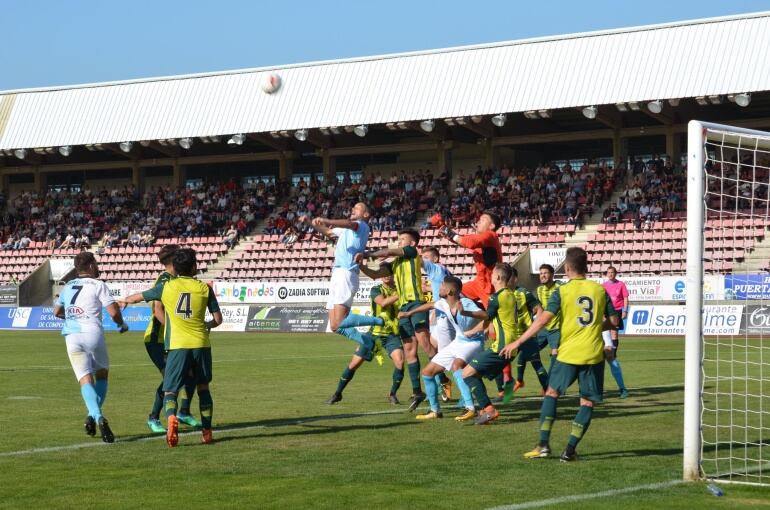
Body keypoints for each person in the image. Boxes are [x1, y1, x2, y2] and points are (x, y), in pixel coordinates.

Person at [500, 247, 619, 462]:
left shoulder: (562, 291)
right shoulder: (600, 290)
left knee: (552, 394)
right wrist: (594, 327)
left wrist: (517, 341)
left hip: (567, 354)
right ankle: (569, 450)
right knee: (587, 403)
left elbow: (543, 319)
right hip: (593, 355)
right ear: (586, 266)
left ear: (567, 267)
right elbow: (615, 322)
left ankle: (543, 445)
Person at [120, 248, 223, 447]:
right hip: (201, 344)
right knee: (203, 387)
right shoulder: (205, 288)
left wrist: (124, 300)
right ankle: (207, 432)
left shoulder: (166, 287)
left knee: (170, 390)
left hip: (177, 345)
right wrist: (206, 326)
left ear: (175, 267)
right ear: (194, 267)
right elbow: (218, 320)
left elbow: (139, 297)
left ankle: (170, 419)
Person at [53, 251, 128, 443]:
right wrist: (121, 324)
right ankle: (95, 415)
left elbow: (57, 311)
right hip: (92, 334)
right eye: (95, 263)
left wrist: (72, 317)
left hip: (72, 337)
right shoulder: (98, 284)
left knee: (85, 379)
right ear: (90, 266)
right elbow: (113, 312)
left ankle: (95, 415)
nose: (97, 266)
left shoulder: (68, 286)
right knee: (101, 374)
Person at [359, 229, 432, 412]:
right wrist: (360, 264)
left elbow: (388, 252)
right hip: (404, 308)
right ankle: (417, 391)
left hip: (416, 302)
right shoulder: (395, 263)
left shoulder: (412, 252)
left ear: (412, 243)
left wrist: (369, 253)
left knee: (425, 343)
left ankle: (443, 378)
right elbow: (375, 275)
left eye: (402, 239)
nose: (399, 241)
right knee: (409, 350)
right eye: (398, 239)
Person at [399, 276, 487, 421]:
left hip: (473, 342)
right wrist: (409, 313)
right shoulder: (443, 303)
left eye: (442, 287)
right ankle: (435, 411)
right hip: (458, 341)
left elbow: (485, 315)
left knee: (456, 365)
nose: (439, 289)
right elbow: (430, 305)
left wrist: (465, 313)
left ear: (451, 291)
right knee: (427, 372)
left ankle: (470, 408)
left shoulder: (465, 302)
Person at [298, 202, 383, 351]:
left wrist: (327, 220)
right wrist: (309, 222)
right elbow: (328, 232)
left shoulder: (362, 226)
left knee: (340, 322)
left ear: (366, 214)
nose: (353, 209)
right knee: (335, 326)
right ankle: (368, 344)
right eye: (353, 207)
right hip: (337, 273)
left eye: (357, 207)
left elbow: (349, 224)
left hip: (347, 273)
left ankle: (377, 321)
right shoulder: (346, 231)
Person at [325, 265, 405, 405]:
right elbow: (383, 302)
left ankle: (392, 394)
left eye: (389, 273)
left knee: (400, 362)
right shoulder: (376, 289)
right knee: (354, 364)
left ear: (394, 275)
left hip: (391, 334)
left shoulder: (399, 289)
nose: (386, 275)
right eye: (383, 273)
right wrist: (403, 293)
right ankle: (337, 393)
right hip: (373, 334)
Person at [142, 244, 202, 434]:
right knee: (171, 379)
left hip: (175, 339)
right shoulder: (165, 278)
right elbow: (157, 309)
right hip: (157, 339)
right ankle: (153, 417)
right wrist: (173, 328)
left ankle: (184, 412)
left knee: (191, 374)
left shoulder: (178, 279)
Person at [461, 263, 519, 425]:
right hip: (511, 345)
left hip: (501, 346)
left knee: (466, 373)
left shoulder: (496, 297)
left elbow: (486, 317)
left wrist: (464, 313)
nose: (490, 276)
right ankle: (485, 409)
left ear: (499, 278)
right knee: (475, 375)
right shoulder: (511, 294)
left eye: (492, 274)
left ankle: (489, 409)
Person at [440, 211, 502, 308]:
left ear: (492, 226)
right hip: (479, 283)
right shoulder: (483, 239)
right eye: (479, 220)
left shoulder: (490, 235)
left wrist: (450, 233)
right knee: (452, 293)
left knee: (494, 318)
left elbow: (469, 243)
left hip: (491, 286)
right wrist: (449, 235)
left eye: (482, 220)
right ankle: (480, 311)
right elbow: (464, 241)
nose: (478, 222)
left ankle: (483, 312)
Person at [421, 247, 453, 401]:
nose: (424, 260)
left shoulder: (436, 269)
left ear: (435, 259)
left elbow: (444, 293)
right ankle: (441, 382)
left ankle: (467, 389)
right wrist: (427, 288)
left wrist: (436, 307)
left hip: (442, 317)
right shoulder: (441, 272)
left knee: (450, 358)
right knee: (431, 350)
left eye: (427, 257)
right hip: (441, 314)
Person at [510, 268, 547, 396]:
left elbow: (539, 309)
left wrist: (534, 327)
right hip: (510, 336)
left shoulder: (523, 292)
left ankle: (548, 390)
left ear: (515, 279)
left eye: (509, 277)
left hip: (527, 336)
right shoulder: (501, 294)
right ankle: (508, 389)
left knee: (536, 362)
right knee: (503, 363)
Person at [602, 266, 630, 398]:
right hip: (601, 324)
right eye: (609, 272)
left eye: (613, 272)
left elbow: (625, 298)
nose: (611, 274)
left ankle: (622, 388)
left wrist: (625, 310)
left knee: (610, 357)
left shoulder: (620, 284)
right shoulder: (602, 287)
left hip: (615, 313)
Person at [535, 264, 563, 374]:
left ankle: (552, 384)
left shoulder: (561, 287)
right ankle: (544, 379)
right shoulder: (539, 289)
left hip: (557, 328)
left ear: (552, 275)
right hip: (544, 328)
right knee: (529, 352)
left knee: (556, 354)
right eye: (541, 273)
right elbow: (540, 308)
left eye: (545, 273)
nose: (543, 275)